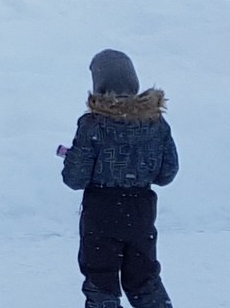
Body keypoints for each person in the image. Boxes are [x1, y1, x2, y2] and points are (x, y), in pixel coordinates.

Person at [60, 49, 179, 308]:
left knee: (101, 284)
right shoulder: (157, 124)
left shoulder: (92, 125)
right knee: (145, 281)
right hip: (140, 213)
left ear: (99, 85)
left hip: (101, 213)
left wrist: (73, 158)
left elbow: (75, 178)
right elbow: (167, 173)